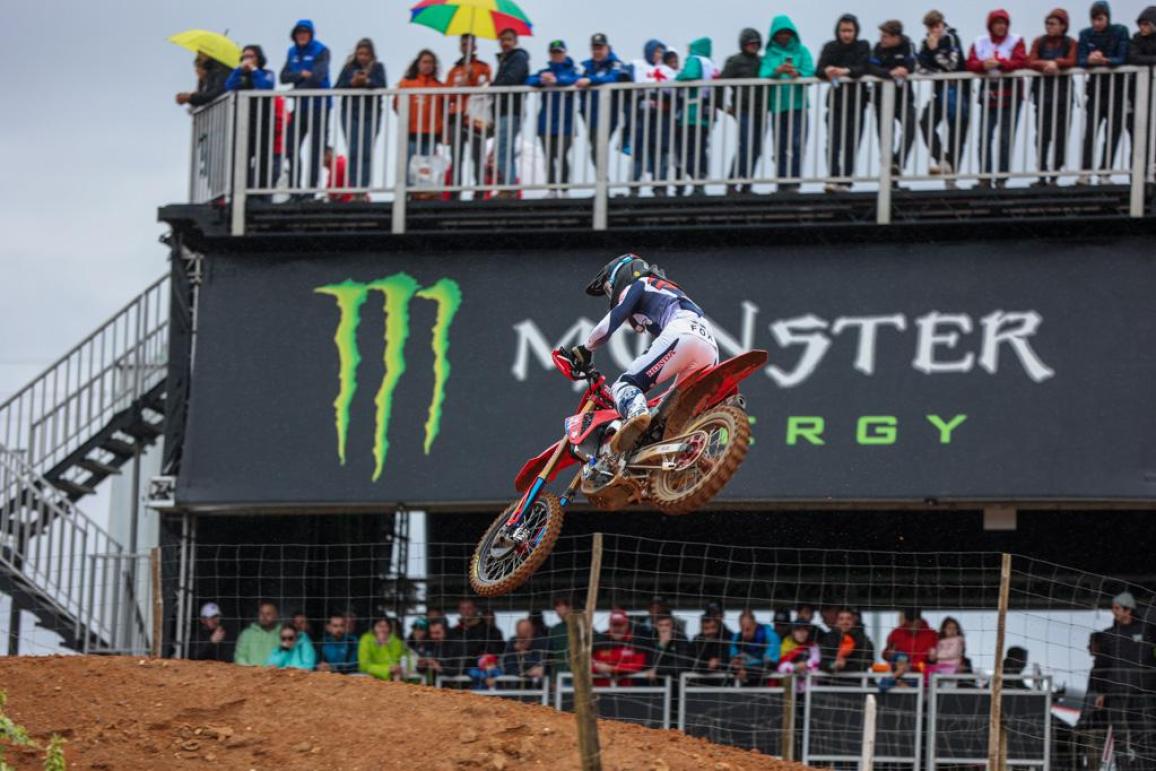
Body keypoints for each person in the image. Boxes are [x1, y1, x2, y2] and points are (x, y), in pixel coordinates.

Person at [570, 255, 718, 452]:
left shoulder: (641, 283)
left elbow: (612, 320)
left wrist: (586, 348)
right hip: (710, 346)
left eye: (608, 289)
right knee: (671, 415)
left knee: (624, 385)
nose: (610, 295)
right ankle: (686, 455)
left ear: (622, 275)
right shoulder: (665, 288)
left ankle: (637, 413)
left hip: (683, 333)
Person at [966, 9, 1028, 187]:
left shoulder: (1016, 40)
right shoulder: (980, 42)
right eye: (997, 23)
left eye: (1003, 23)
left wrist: (1001, 63)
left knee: (1005, 138)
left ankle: (1001, 177)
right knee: (984, 137)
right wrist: (983, 65)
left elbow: (1021, 61)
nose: (1001, 26)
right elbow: (970, 63)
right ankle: (985, 176)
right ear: (990, 25)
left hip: (1011, 95)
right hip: (989, 95)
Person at [1077, 1, 1132, 184]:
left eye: (1100, 19)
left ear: (1107, 18)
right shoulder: (1085, 34)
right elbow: (1080, 59)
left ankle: (1104, 173)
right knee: (1090, 133)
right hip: (1095, 92)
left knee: (1113, 133)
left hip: (1117, 92)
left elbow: (1123, 57)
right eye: (1094, 19)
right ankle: (1085, 172)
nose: (1096, 23)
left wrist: (1106, 60)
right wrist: (1090, 59)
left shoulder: (1120, 31)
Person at [1096, 591, 1154, 758]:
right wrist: (1100, 692)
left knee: (1145, 731)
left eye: (1117, 608)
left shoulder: (1148, 631)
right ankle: (1123, 763)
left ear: (1128, 610)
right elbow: (1101, 665)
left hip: (1143, 693)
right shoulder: (1108, 635)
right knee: (1120, 732)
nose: (1113, 611)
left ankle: (1146, 763)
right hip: (1117, 693)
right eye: (1113, 608)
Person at [760, 16, 815, 192]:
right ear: (774, 35)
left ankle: (795, 182)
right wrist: (777, 71)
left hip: (799, 106)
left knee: (798, 144)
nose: (784, 36)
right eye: (780, 33)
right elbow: (762, 74)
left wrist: (797, 73)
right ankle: (782, 183)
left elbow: (810, 72)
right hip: (778, 107)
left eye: (787, 33)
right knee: (780, 146)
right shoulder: (769, 54)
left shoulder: (802, 51)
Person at [817, 14, 871, 192]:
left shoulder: (863, 46)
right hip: (836, 103)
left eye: (850, 30)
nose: (846, 34)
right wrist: (828, 70)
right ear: (837, 31)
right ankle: (833, 177)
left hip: (857, 104)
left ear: (856, 31)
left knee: (851, 144)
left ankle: (846, 181)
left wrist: (845, 71)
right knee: (833, 142)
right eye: (843, 30)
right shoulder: (830, 47)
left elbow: (863, 67)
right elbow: (819, 70)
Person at [917, 11, 970, 185]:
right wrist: (936, 68)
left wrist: (935, 51)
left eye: (937, 26)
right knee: (925, 122)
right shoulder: (925, 43)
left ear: (942, 24)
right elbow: (919, 67)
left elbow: (952, 65)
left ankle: (951, 180)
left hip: (960, 94)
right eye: (931, 27)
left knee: (957, 135)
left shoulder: (952, 38)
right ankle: (942, 159)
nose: (935, 30)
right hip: (940, 94)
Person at [281, 20, 332, 194]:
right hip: (301, 106)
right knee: (290, 146)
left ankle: (311, 190)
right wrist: (301, 74)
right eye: (299, 32)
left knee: (316, 149)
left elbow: (318, 77)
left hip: (319, 105)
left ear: (311, 34)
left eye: (305, 32)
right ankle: (294, 188)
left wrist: (297, 88)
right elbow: (283, 76)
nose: (301, 35)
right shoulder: (292, 52)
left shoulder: (321, 50)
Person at [1028, 10, 1078, 185]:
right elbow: (1030, 61)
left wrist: (1057, 63)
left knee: (1061, 136)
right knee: (1042, 136)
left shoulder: (1070, 42)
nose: (1049, 26)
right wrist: (1046, 64)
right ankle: (1041, 174)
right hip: (1043, 96)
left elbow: (1073, 60)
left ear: (1063, 26)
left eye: (1053, 23)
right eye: (1047, 23)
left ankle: (1055, 175)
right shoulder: (1039, 42)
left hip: (1063, 96)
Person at [527, 40, 581, 194]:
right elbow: (529, 80)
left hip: (566, 123)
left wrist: (557, 81)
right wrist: (542, 80)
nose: (556, 55)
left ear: (565, 53)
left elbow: (575, 80)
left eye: (559, 52)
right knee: (549, 156)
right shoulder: (545, 71)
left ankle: (564, 189)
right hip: (546, 122)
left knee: (561, 154)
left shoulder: (572, 71)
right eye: (554, 52)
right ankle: (551, 188)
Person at [869, 21, 920, 182]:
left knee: (910, 127)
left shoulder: (907, 44)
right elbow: (871, 67)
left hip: (904, 98)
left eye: (885, 36)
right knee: (885, 136)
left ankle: (898, 163)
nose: (881, 39)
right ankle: (889, 170)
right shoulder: (877, 48)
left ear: (896, 37)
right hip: (881, 99)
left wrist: (905, 69)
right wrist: (890, 73)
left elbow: (913, 63)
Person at [225, 46, 277, 201]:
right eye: (244, 57)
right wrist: (239, 70)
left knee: (263, 159)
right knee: (242, 158)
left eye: (251, 56)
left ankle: (262, 195)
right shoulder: (239, 74)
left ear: (258, 58)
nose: (247, 59)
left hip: (263, 122)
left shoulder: (267, 73)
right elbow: (228, 86)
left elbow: (265, 87)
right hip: (244, 123)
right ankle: (243, 193)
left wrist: (254, 70)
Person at [335, 38, 387, 194]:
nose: (363, 57)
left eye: (366, 54)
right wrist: (352, 83)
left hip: (371, 113)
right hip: (350, 112)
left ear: (371, 55)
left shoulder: (378, 67)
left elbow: (382, 85)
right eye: (360, 53)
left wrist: (367, 82)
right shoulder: (348, 68)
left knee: (366, 151)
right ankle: (353, 187)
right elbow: (337, 87)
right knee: (353, 150)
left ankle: (363, 189)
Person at [446, 35, 493, 198]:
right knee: (456, 156)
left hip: (475, 116)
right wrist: (458, 87)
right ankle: (455, 191)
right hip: (457, 115)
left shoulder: (483, 67)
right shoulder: (454, 71)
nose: (466, 46)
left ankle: (479, 190)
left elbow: (487, 88)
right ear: (460, 46)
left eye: (470, 44)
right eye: (464, 44)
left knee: (477, 155)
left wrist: (471, 81)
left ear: (475, 47)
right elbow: (447, 95)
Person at [628, 40, 677, 196]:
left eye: (661, 52)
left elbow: (674, 90)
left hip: (661, 115)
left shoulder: (667, 70)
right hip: (642, 114)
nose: (658, 55)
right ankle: (634, 186)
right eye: (656, 51)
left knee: (660, 150)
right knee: (639, 151)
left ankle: (660, 186)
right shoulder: (637, 65)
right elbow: (626, 79)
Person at [722, 28, 768, 195]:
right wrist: (724, 106)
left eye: (756, 43)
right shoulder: (735, 61)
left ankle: (747, 184)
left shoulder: (763, 61)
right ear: (743, 44)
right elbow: (720, 84)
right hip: (743, 110)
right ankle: (732, 183)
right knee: (745, 146)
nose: (753, 46)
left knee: (756, 149)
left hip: (761, 111)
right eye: (750, 43)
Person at [673, 38, 719, 196]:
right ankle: (700, 182)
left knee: (686, 150)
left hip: (690, 114)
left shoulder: (695, 59)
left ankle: (688, 182)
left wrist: (677, 78)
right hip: (705, 115)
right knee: (700, 149)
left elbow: (690, 74)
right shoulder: (711, 65)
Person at [492, 28, 531, 198]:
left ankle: (509, 187)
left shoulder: (518, 57)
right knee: (504, 150)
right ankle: (509, 186)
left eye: (508, 39)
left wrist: (491, 86)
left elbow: (511, 79)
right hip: (503, 110)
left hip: (511, 110)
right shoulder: (505, 60)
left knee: (503, 150)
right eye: (502, 40)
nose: (505, 43)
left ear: (515, 41)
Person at [578, 33, 629, 161]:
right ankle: (601, 174)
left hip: (609, 115)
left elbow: (612, 78)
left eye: (600, 48)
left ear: (607, 48)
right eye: (594, 48)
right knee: (595, 151)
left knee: (598, 148)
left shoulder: (616, 64)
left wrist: (591, 80)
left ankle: (603, 174)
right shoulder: (588, 67)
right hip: (591, 117)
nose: (597, 51)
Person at [395, 50, 446, 172]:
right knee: (410, 167)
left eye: (430, 62)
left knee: (427, 171)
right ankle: (408, 185)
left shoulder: (439, 86)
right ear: (418, 64)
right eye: (425, 62)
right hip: (412, 133)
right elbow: (397, 105)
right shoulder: (406, 84)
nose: (427, 65)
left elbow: (446, 108)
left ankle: (423, 187)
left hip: (432, 134)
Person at [592, 610, 648, 686]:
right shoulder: (599, 640)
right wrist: (597, 668)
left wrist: (612, 668)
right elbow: (588, 664)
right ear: (609, 625)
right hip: (601, 689)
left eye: (620, 625)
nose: (617, 629)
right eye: (614, 625)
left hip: (629, 689)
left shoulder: (636, 640)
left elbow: (639, 665)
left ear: (627, 625)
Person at [450, 598, 505, 674]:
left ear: (475, 609)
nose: (466, 611)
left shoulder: (488, 629)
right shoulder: (453, 631)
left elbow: (497, 650)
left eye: (469, 608)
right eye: (463, 608)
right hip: (457, 672)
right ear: (459, 611)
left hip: (484, 671)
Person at [729, 610, 781, 686]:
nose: (744, 634)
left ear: (755, 625)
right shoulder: (736, 638)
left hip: (766, 681)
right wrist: (736, 665)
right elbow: (732, 661)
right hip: (744, 680)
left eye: (748, 629)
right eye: (742, 629)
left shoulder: (771, 636)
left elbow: (770, 664)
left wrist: (748, 671)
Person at [820, 608, 875, 673]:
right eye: (841, 619)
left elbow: (867, 663)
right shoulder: (828, 639)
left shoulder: (863, 640)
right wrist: (833, 665)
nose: (845, 622)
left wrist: (844, 665)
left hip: (856, 679)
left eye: (849, 619)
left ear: (853, 622)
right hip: (833, 678)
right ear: (836, 622)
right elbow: (822, 664)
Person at [358, 616, 413, 681]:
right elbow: (364, 666)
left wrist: (401, 668)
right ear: (373, 627)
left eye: (386, 626)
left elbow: (406, 660)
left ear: (389, 628)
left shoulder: (397, 642)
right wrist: (388, 669)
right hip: (372, 678)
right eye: (379, 626)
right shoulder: (366, 640)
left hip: (395, 678)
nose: (383, 629)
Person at [643, 613, 688, 683]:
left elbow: (681, 663)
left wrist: (658, 671)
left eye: (667, 625)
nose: (664, 628)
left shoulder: (680, 639)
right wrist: (661, 645)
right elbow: (648, 663)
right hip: (655, 684)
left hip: (675, 683)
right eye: (660, 625)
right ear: (656, 626)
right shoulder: (651, 639)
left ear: (672, 626)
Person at [777, 622, 821, 692]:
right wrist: (795, 667)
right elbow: (780, 666)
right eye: (798, 630)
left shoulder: (813, 646)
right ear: (793, 632)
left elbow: (815, 662)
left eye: (805, 630)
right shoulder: (785, 645)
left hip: (809, 690)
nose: (801, 633)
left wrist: (805, 665)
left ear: (808, 632)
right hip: (789, 690)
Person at [234, 601, 281, 666]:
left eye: (268, 614)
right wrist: (251, 669)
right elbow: (239, 657)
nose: (264, 617)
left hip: (277, 672)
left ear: (276, 615)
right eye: (261, 613)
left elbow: (290, 658)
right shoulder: (247, 634)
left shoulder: (284, 633)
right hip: (251, 672)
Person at [502, 619, 548, 684]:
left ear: (532, 632)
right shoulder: (512, 642)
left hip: (537, 685)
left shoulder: (541, 642)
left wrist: (525, 655)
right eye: (519, 636)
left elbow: (540, 666)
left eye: (524, 637)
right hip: (516, 684)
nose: (521, 640)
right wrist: (524, 673)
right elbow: (508, 667)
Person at [414, 618, 458, 684]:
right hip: (432, 685)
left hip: (453, 686)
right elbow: (420, 670)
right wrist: (421, 665)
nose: (434, 636)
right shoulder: (427, 644)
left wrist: (440, 668)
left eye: (437, 633)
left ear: (445, 632)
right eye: (432, 633)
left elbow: (459, 669)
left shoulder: (456, 645)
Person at [548, 596, 573, 673]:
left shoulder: (582, 626)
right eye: (556, 606)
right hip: (560, 673)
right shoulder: (555, 630)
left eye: (560, 606)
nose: (557, 609)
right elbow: (549, 655)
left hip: (578, 673)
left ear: (569, 607)